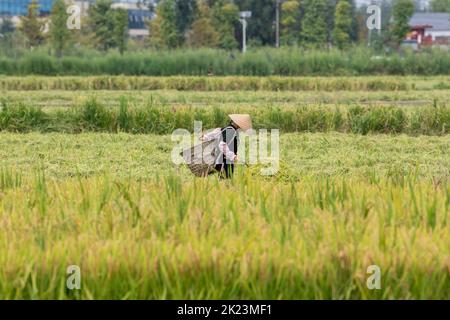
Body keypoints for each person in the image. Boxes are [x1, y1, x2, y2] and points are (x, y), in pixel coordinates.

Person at [201, 114, 252, 178]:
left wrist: (205, 137)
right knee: (226, 180)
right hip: (225, 160)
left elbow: (215, 134)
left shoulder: (226, 128)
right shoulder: (231, 131)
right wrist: (233, 156)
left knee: (223, 180)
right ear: (236, 123)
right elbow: (222, 144)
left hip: (221, 159)